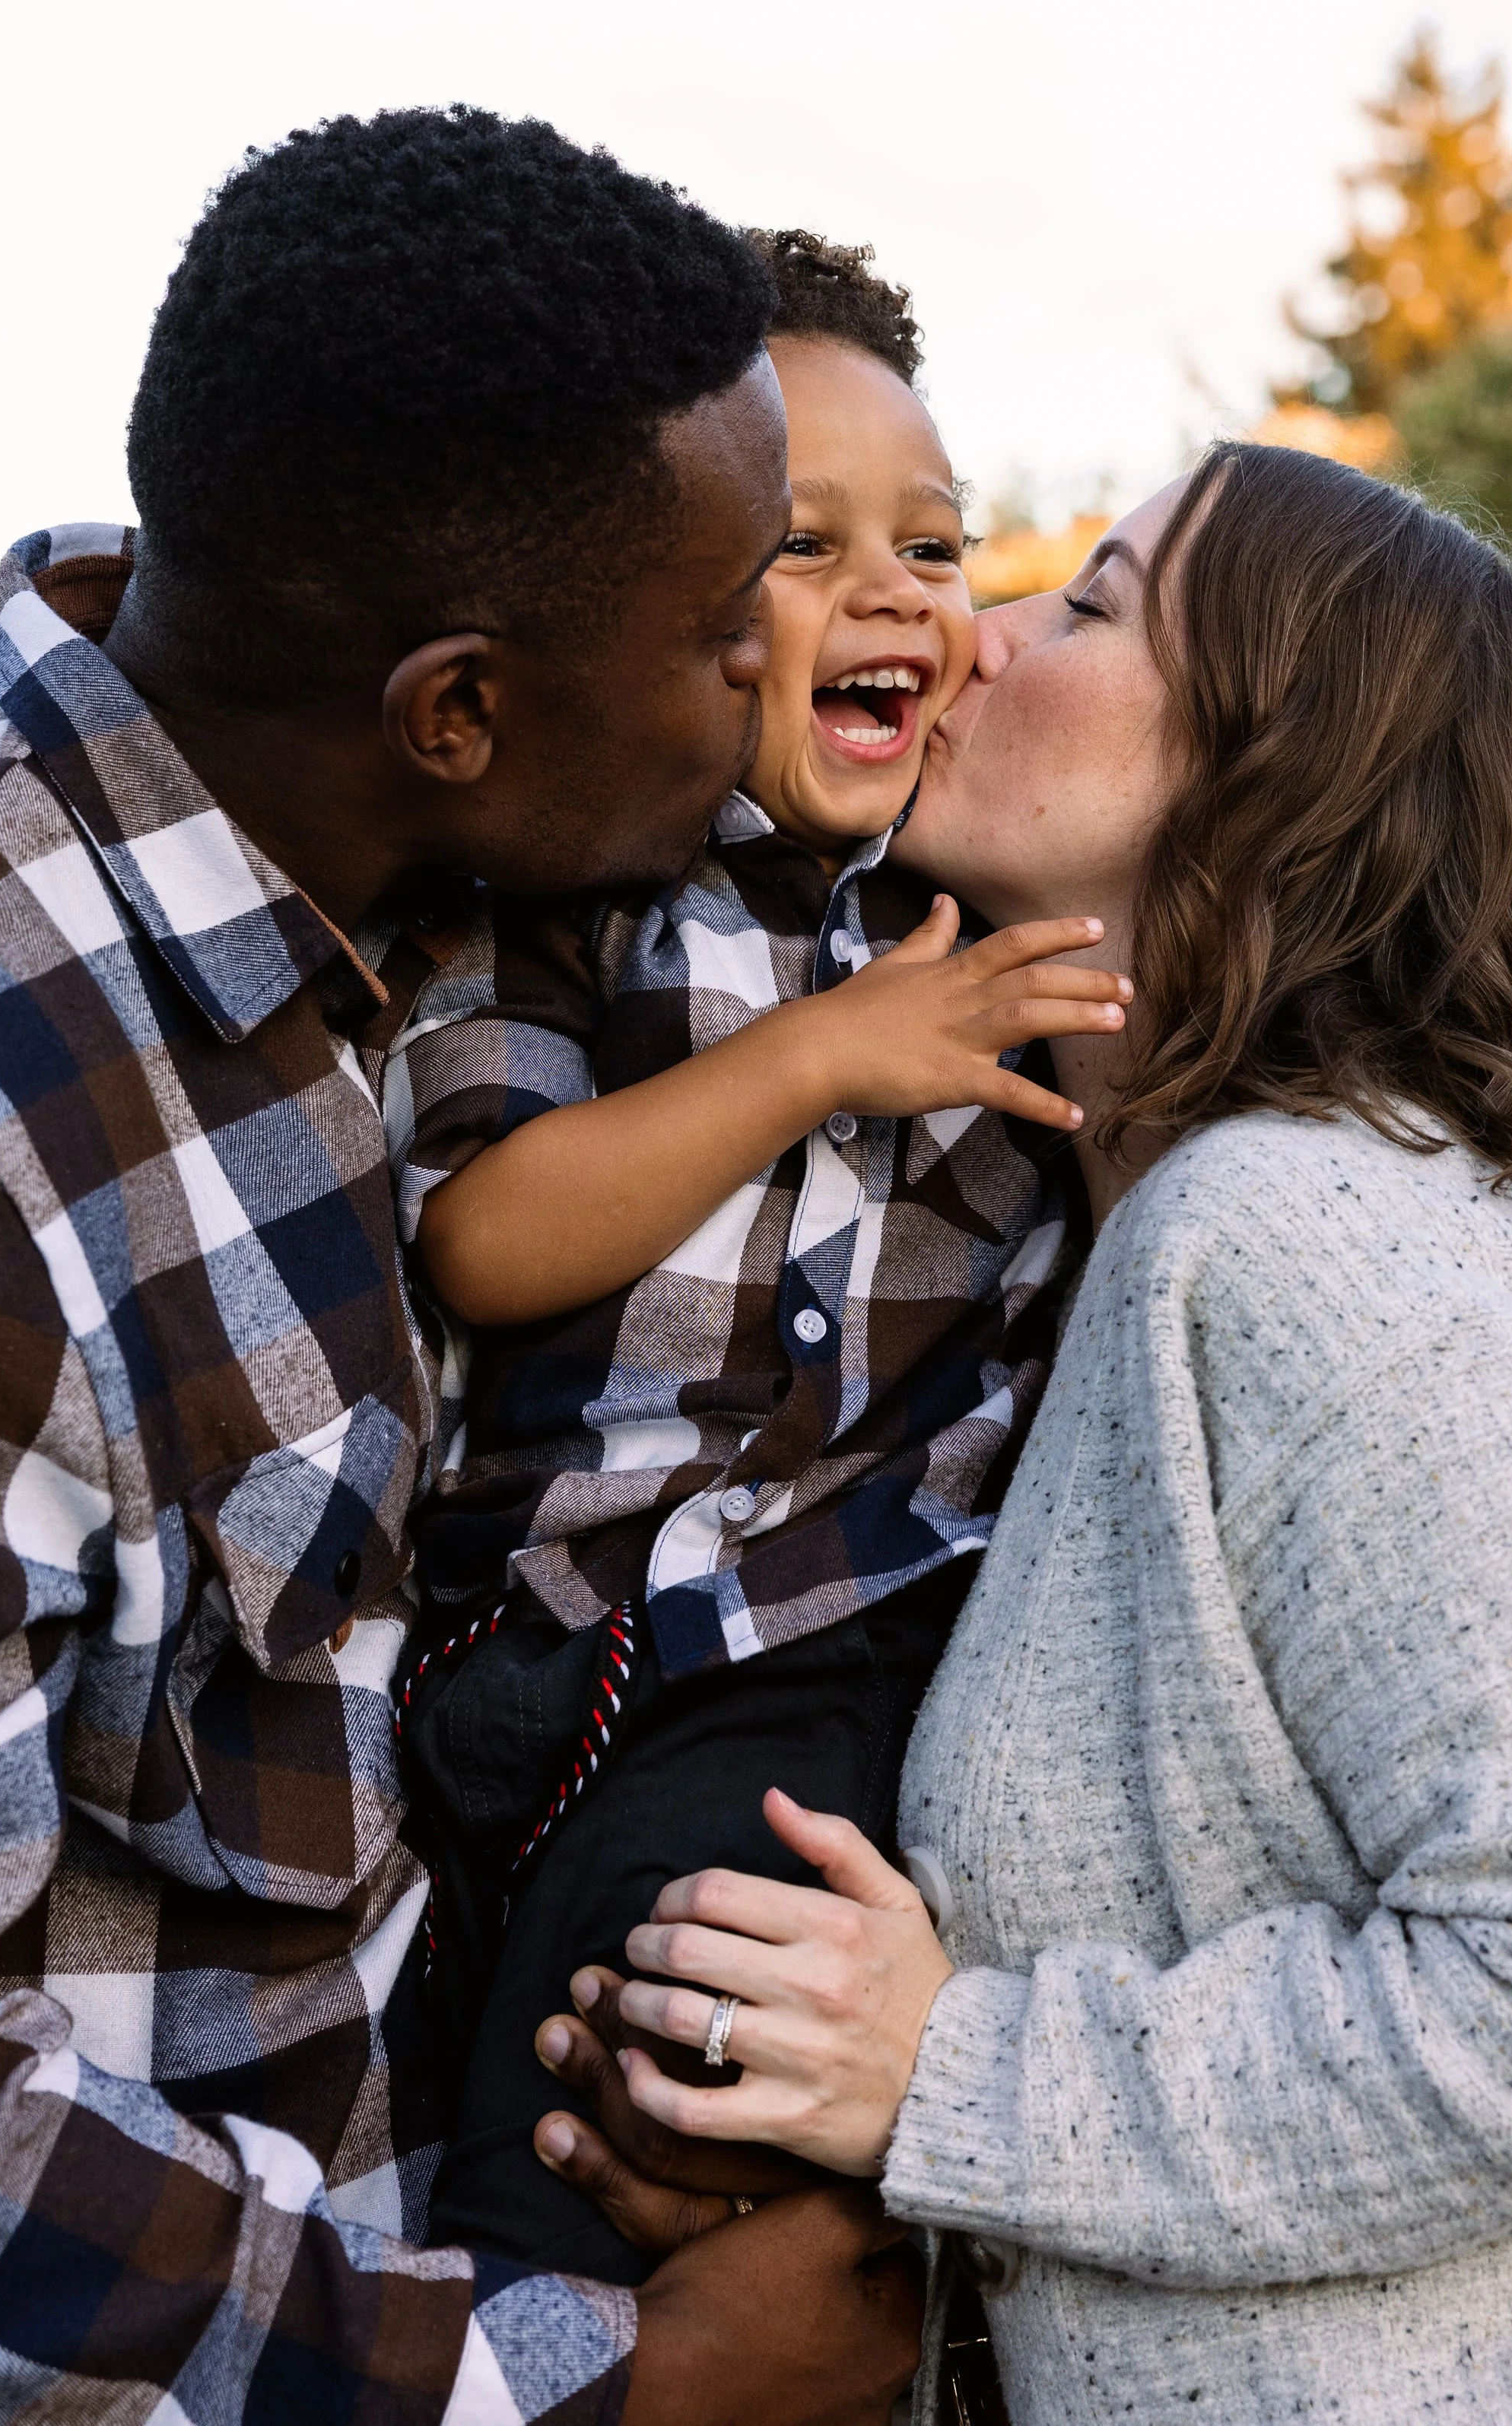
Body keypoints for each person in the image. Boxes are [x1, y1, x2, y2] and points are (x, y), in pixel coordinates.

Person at [0, 107, 923, 2424]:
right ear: (460, 705)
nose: (773, 673)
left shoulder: (398, 905)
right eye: (727, 625)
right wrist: (580, 2387)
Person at [558, 443, 1512, 2423]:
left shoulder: (1310, 1234)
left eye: (1089, 604)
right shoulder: (1105, 1247)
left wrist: (951, 2070)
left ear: (1292, 779)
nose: (971, 631)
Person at [387, 234, 1127, 2280]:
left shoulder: (988, 920)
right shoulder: (576, 899)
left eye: (939, 543)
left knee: (660, 2097)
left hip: (836, 1648)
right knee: (489, 2109)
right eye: (803, 548)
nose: (897, 590)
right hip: (546, 1650)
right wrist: (816, 1056)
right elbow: (485, 1230)